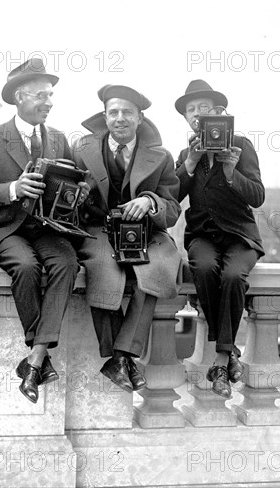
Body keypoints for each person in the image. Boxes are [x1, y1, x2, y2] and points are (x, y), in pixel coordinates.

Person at [0, 58, 88, 404]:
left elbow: (73, 185)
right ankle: (39, 357)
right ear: (20, 97)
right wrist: (13, 189)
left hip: (47, 228)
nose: (48, 103)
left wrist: (78, 193)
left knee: (66, 264)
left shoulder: (59, 140)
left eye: (51, 96)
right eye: (41, 96)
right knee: (25, 267)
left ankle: (35, 357)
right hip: (4, 228)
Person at [73, 85, 181, 393]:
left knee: (158, 268)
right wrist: (77, 198)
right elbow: (65, 191)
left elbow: (171, 208)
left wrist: (149, 201)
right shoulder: (82, 149)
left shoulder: (160, 157)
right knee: (104, 271)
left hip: (146, 231)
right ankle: (119, 357)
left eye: (127, 113)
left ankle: (120, 356)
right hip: (98, 228)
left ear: (140, 118)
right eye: (113, 113)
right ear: (105, 116)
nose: (120, 119)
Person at [174, 79, 265, 398]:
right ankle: (229, 356)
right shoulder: (187, 152)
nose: (197, 114)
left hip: (240, 236)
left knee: (232, 276)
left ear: (218, 113)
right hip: (202, 236)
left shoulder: (241, 144)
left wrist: (231, 172)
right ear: (186, 118)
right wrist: (189, 164)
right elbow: (172, 196)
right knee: (202, 267)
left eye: (203, 108)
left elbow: (257, 197)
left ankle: (221, 358)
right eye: (190, 110)